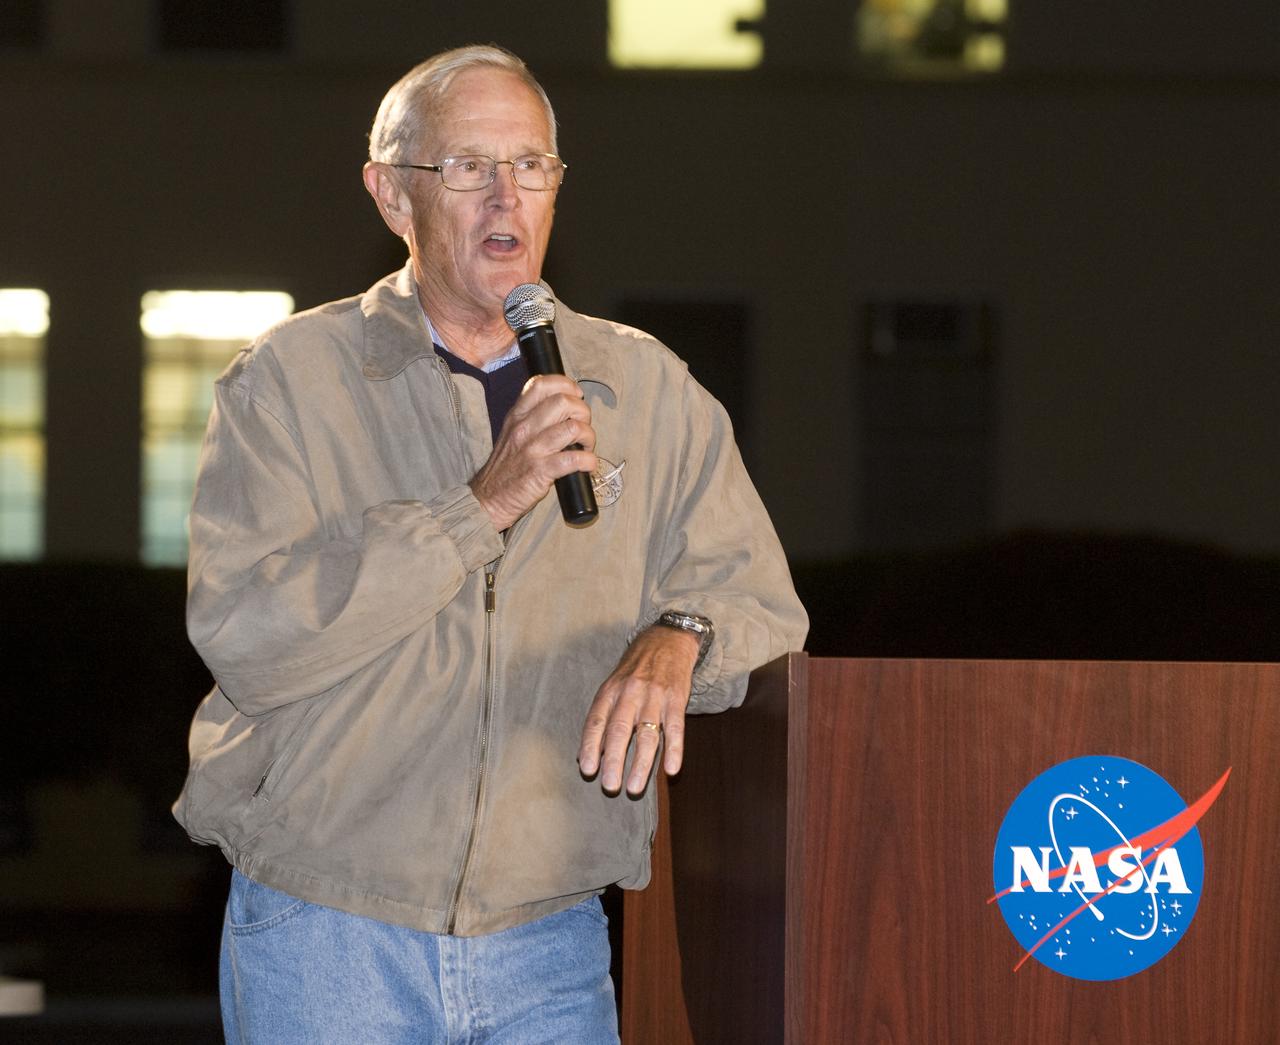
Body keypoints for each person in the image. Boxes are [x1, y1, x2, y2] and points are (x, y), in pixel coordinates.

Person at [174, 44, 807, 1044]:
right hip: (330, 926)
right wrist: (477, 506)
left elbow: (761, 608)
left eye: (531, 165)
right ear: (392, 196)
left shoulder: (644, 388)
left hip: (547, 938)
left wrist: (682, 632)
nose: (505, 194)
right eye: (467, 165)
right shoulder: (291, 379)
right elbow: (248, 634)